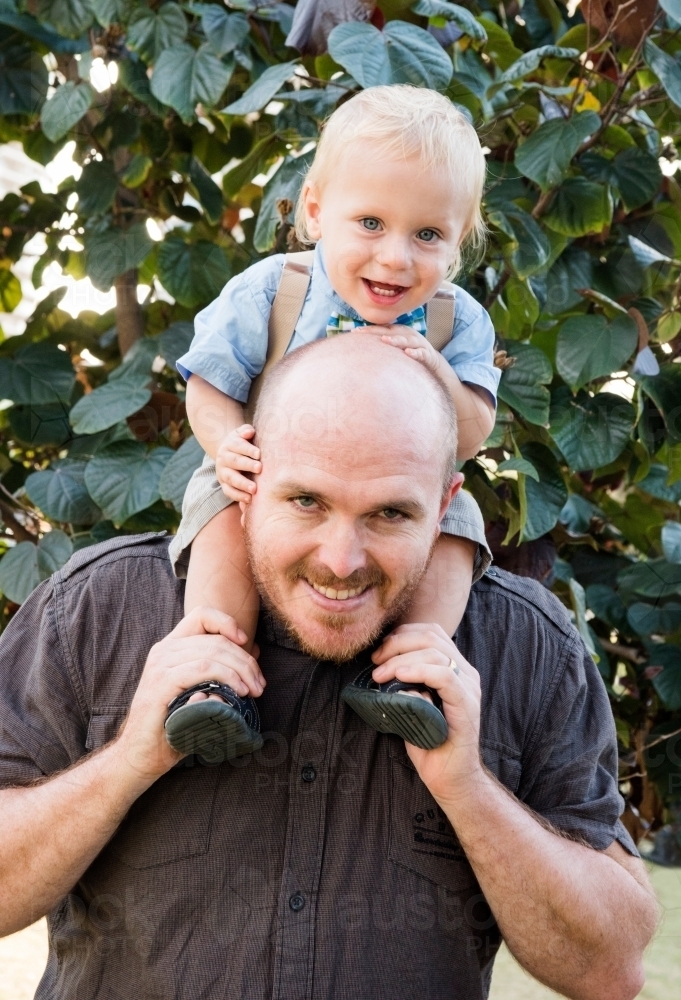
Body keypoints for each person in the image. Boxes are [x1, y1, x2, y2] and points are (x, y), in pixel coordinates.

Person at [0, 336, 658, 1000]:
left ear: (444, 505)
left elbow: (607, 969)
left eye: (390, 513)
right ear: (246, 480)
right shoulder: (99, 609)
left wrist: (470, 791)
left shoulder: (529, 647)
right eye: (306, 502)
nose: (341, 561)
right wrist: (128, 760)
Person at [166, 84, 501, 759]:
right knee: (223, 517)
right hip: (270, 466)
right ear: (316, 210)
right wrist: (225, 441)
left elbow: (469, 435)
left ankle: (415, 671)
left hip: (398, 485)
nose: (395, 258)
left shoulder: (454, 320)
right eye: (370, 223)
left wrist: (434, 370)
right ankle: (213, 674)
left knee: (457, 528)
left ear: (459, 243)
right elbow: (208, 381)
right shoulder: (274, 290)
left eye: (427, 234)